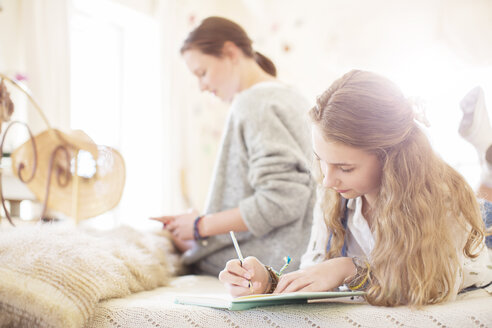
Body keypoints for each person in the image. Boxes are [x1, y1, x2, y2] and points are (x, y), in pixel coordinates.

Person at [219, 70, 492, 307]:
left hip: (484, 249)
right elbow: (316, 275)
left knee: (485, 202)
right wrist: (267, 282)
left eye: (345, 168)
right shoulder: (335, 194)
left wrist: (350, 268)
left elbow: (432, 285)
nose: (327, 179)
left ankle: (486, 159)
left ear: (390, 157)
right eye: (321, 161)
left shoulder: (438, 196)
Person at [150, 17, 315, 276]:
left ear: (230, 52)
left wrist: (201, 226)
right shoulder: (292, 96)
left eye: (202, 73)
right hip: (295, 250)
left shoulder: (254, 103)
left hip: (271, 260)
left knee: (167, 244)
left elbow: (282, 201)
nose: (202, 86)